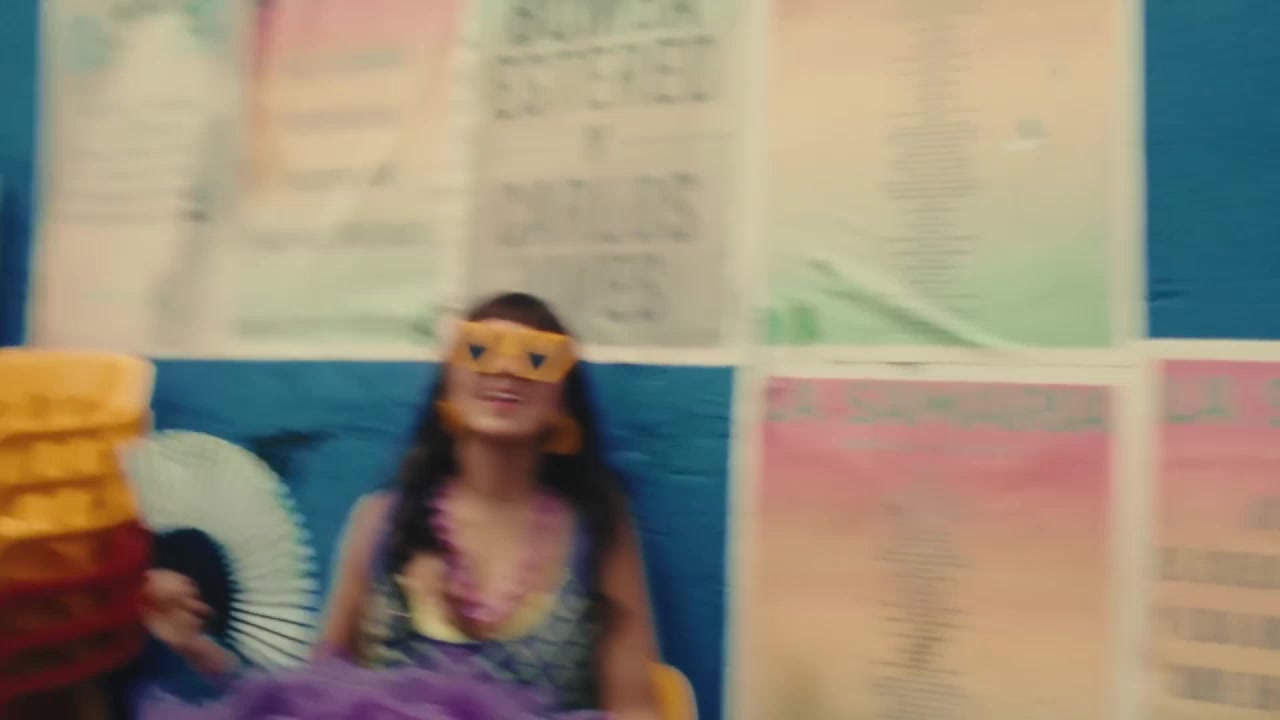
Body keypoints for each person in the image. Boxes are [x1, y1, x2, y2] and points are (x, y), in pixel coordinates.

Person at [141, 292, 662, 719]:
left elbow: (636, 707)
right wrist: (198, 647)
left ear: (563, 400)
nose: (506, 370)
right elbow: (314, 694)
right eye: (479, 351)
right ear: (448, 385)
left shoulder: (597, 530)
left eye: (536, 358)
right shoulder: (380, 522)